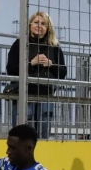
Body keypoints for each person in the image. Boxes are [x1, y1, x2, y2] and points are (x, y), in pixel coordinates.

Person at [6, 11, 67, 139]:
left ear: (48, 28)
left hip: (46, 94)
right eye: (36, 22)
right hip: (24, 94)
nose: (39, 26)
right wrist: (31, 63)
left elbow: (63, 72)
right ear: (30, 25)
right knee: (22, 135)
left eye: (43, 24)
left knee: (44, 133)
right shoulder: (20, 44)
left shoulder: (54, 47)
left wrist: (51, 64)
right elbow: (11, 69)